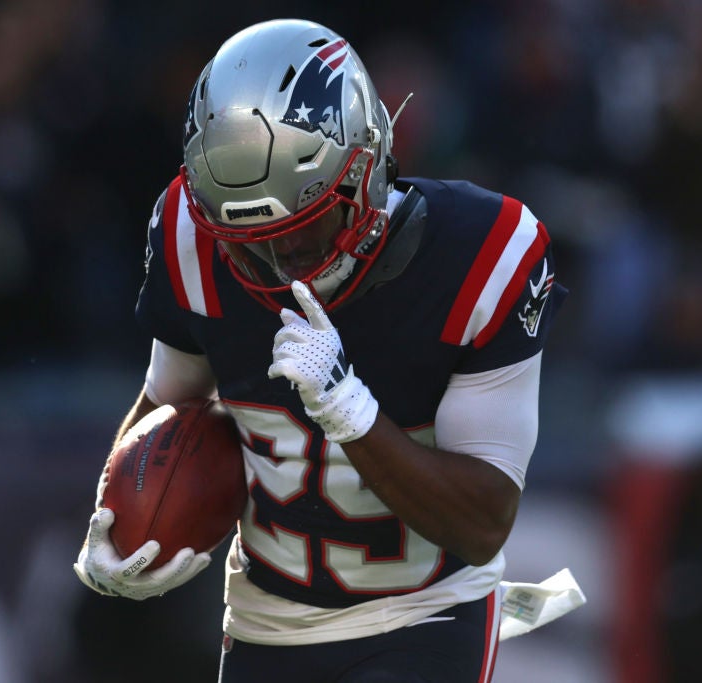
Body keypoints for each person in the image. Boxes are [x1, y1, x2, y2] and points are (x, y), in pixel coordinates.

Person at [75, 18, 569, 682]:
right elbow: (168, 407)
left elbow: (484, 522)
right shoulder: (190, 238)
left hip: (424, 610)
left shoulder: (481, 251)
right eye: (252, 242)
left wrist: (351, 412)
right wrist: (117, 518)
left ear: (365, 164)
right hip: (265, 619)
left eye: (304, 233)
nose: (284, 265)